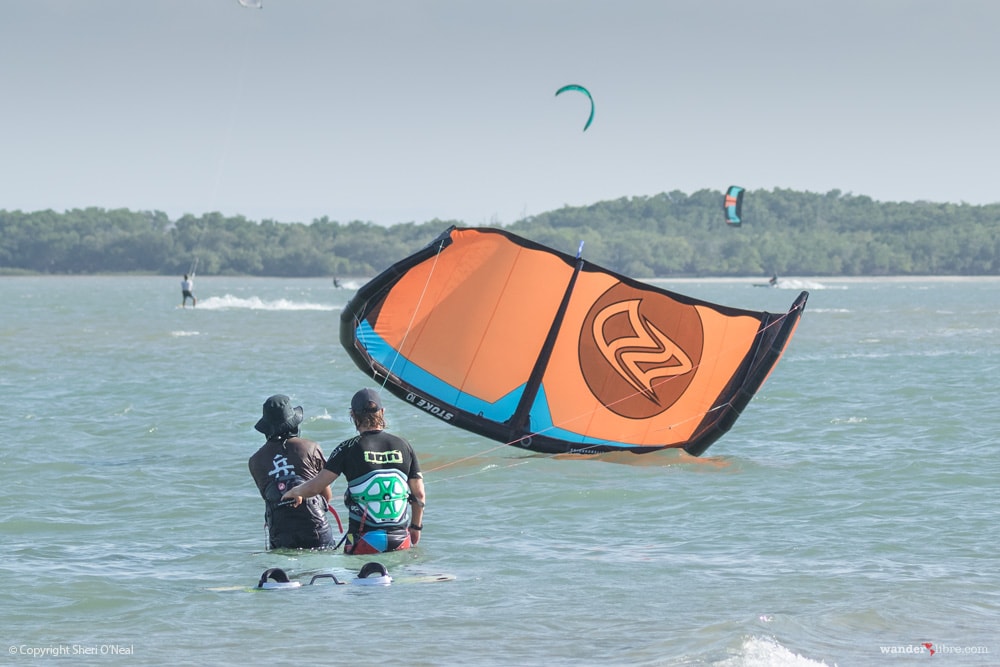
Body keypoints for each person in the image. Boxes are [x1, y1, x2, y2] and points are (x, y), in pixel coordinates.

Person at [282, 388, 425, 555]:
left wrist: (295, 491)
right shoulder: (404, 445)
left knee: (359, 578)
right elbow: (419, 494)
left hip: (364, 541)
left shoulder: (348, 448)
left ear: (353, 415)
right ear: (382, 412)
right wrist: (415, 527)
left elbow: (315, 487)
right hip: (400, 538)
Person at [248, 394, 334, 550]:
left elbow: (268, 498)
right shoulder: (310, 447)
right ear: (294, 424)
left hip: (281, 534)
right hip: (316, 529)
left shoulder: (255, 460)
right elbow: (327, 495)